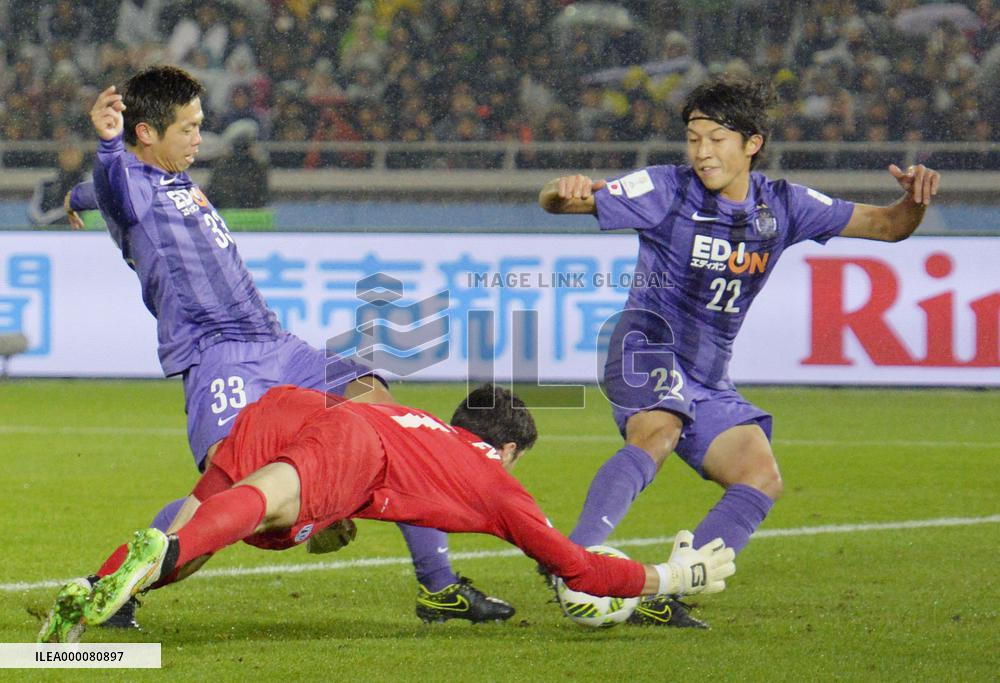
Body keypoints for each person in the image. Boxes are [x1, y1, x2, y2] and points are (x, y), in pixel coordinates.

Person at [66, 65, 512, 627]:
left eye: (202, 125)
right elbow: (116, 183)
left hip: (273, 341)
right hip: (218, 354)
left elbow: (108, 187)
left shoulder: (170, 178)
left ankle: (438, 587)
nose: (201, 138)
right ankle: (111, 588)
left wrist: (75, 193)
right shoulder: (128, 182)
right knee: (230, 495)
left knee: (382, 413)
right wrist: (106, 148)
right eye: (188, 127)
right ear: (148, 133)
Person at [539, 75, 940, 628]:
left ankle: (663, 594)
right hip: (645, 346)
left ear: (752, 143)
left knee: (760, 474)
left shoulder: (786, 206)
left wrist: (914, 198)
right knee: (658, 430)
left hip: (708, 374)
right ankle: (573, 562)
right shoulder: (665, 190)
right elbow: (559, 202)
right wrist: (563, 193)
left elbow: (890, 226)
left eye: (716, 139)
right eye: (693, 138)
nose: (702, 152)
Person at [38, 384, 736, 643]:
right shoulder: (498, 485)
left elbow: (370, 447)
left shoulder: (419, 419)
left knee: (208, 523)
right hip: (350, 441)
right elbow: (578, 570)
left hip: (295, 405)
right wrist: (671, 577)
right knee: (270, 510)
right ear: (509, 448)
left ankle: (78, 612)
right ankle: (153, 559)